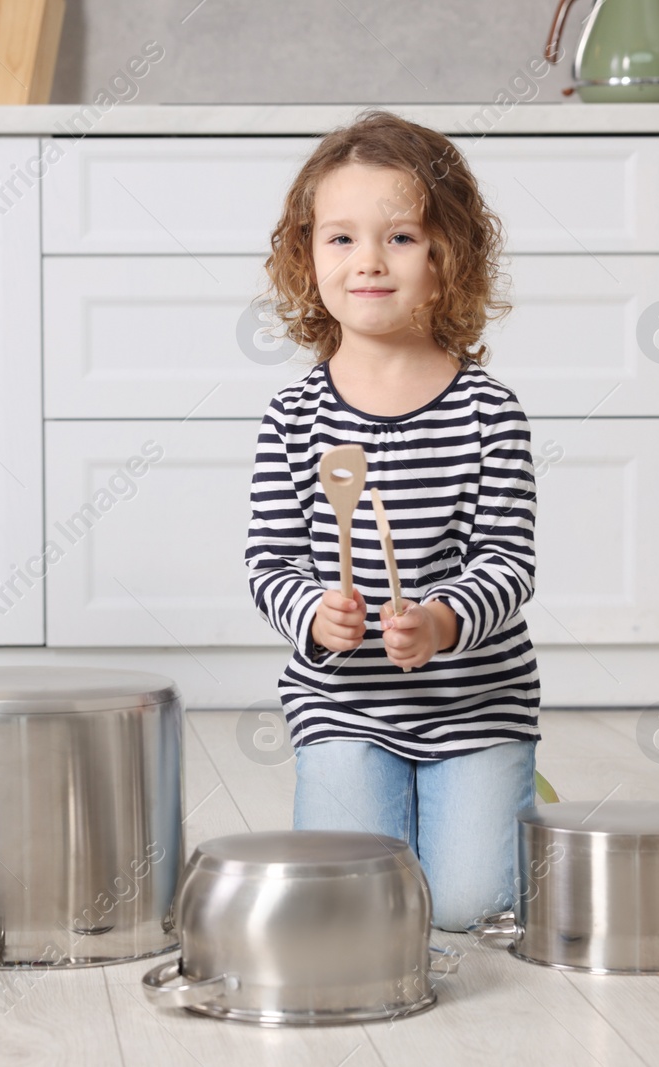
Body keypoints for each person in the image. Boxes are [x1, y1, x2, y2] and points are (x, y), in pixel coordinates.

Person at [245, 109, 540, 931]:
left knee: (469, 909)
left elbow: (508, 562)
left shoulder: (488, 412)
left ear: (449, 260)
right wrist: (312, 610)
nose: (369, 260)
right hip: (345, 705)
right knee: (352, 901)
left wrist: (444, 618)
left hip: (474, 702)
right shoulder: (293, 418)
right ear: (307, 260)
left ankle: (498, 797)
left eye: (401, 237)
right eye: (340, 238)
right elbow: (270, 562)